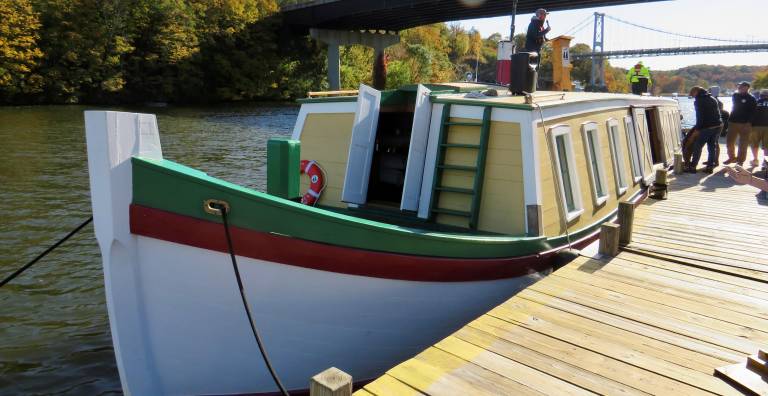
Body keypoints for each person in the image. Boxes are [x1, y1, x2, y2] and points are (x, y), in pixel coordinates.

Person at [686, 86, 723, 173]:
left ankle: (693, 166)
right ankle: (710, 167)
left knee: (697, 146)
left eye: (693, 95)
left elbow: (700, 116)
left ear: (696, 92)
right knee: (711, 146)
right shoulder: (712, 98)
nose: (693, 97)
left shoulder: (698, 101)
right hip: (718, 125)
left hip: (707, 127)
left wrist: (697, 129)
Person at [724, 81, 757, 166]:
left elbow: (753, 113)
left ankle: (740, 161)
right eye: (739, 86)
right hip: (733, 122)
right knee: (729, 142)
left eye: (741, 86)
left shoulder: (752, 98)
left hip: (745, 124)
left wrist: (749, 123)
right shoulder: (735, 95)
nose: (739, 88)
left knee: (743, 144)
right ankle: (732, 158)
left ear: (747, 88)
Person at [753, 89, 768, 169]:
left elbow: (751, 113)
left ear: (761, 95)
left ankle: (755, 160)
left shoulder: (756, 102)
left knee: (755, 144)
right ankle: (765, 163)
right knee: (766, 146)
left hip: (756, 126)